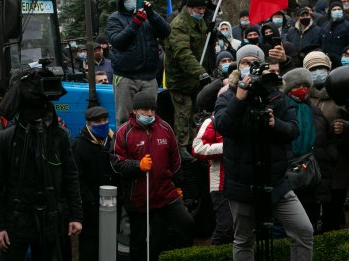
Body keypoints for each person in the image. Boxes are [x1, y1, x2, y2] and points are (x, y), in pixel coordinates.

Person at [213, 44, 313, 260]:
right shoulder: (227, 96)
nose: (250, 67)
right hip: (242, 184)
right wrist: (239, 99)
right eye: (245, 62)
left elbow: (293, 130)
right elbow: (223, 126)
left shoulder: (276, 95)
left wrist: (274, 123)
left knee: (304, 230)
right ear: (237, 67)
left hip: (276, 182)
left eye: (255, 63)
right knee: (243, 240)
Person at [0, 68, 82, 261]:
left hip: (50, 220)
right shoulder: (5, 140)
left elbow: (70, 176)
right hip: (15, 221)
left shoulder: (58, 136)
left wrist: (75, 216)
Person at [112, 91, 194, 261]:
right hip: (138, 198)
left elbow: (176, 160)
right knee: (139, 241)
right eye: (145, 110)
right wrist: (138, 165)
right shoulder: (123, 133)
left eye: (152, 110)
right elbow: (116, 163)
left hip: (164, 194)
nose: (149, 113)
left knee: (186, 224)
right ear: (135, 111)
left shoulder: (165, 128)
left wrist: (178, 185)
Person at [106, 0, 171, 125]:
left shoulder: (149, 17)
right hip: (125, 77)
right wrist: (135, 23)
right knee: (125, 119)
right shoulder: (115, 19)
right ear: (121, 0)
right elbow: (118, 41)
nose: (131, 0)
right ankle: (125, 145)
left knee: (150, 117)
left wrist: (152, 14)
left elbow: (166, 31)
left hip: (148, 77)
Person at [281, 68, 335, 233]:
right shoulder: (281, 112)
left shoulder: (315, 112)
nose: (302, 89)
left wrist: (331, 156)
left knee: (310, 225)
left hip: (314, 177)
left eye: (306, 85)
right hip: (291, 177)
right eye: (298, 85)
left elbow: (328, 139)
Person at [303, 51, 349, 232]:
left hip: (337, 161)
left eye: (322, 68)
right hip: (312, 162)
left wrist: (344, 126)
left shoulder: (341, 92)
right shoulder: (304, 97)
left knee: (334, 204)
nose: (319, 72)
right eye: (313, 69)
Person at [165, 0, 210, 147]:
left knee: (196, 115)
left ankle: (195, 145)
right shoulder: (179, 25)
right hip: (180, 80)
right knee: (183, 114)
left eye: (203, 9)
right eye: (199, 9)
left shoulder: (199, 21)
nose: (202, 12)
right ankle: (181, 147)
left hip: (194, 80)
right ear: (189, 8)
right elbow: (183, 53)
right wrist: (201, 73)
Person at [72, 106, 117, 261]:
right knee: (90, 247)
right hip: (90, 206)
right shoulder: (80, 145)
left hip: (112, 203)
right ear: (89, 124)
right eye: (98, 121)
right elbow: (77, 177)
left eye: (105, 120)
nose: (103, 124)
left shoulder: (112, 141)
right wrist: (91, 200)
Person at [192, 114, 233, 245]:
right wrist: (226, 147)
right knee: (225, 228)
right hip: (220, 184)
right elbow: (197, 148)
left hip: (242, 182)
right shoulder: (212, 121)